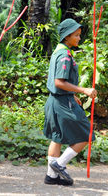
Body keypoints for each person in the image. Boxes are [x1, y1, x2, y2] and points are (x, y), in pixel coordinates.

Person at [43, 18, 97, 186]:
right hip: (62, 104)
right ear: (66, 37)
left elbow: (57, 82)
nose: (79, 38)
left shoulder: (59, 51)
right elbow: (59, 82)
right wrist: (84, 90)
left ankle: (51, 176)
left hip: (56, 100)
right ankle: (59, 164)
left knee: (57, 137)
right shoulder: (64, 55)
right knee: (86, 133)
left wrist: (72, 93)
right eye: (76, 35)